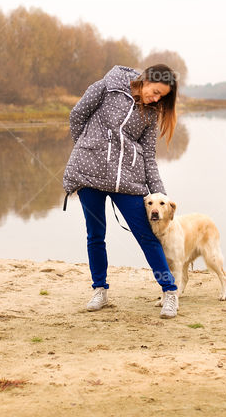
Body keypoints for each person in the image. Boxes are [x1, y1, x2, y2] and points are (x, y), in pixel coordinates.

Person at [62, 63, 180, 318]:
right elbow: (77, 115)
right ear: (146, 79)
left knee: (146, 235)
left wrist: (160, 195)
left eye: (162, 97)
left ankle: (170, 291)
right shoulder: (107, 86)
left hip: (127, 180)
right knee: (95, 235)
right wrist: (87, 148)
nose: (156, 98)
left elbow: (148, 156)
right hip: (88, 175)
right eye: (155, 91)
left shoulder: (150, 113)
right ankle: (100, 290)